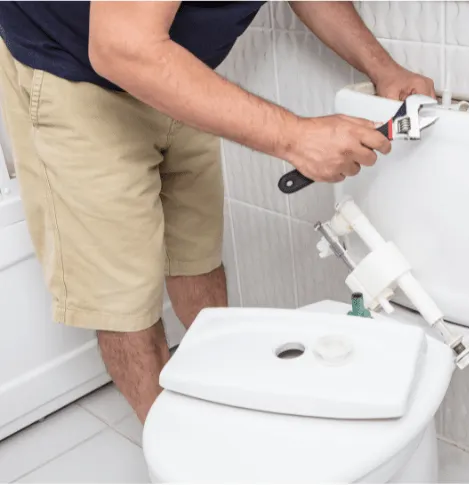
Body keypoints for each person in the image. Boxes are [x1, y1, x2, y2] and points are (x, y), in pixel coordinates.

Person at [0, 1, 435, 423]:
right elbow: (122, 46)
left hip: (174, 65)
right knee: (123, 300)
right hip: (76, 70)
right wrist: (296, 138)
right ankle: (177, 458)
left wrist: (385, 69)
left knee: (196, 255)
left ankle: (226, 414)